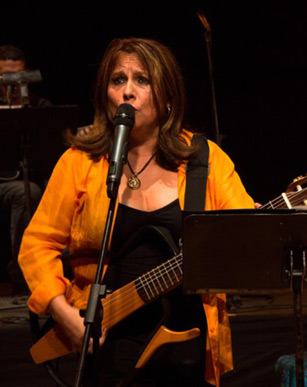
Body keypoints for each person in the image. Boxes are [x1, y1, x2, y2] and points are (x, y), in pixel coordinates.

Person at [18, 38, 254, 386]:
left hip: (188, 341)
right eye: (118, 80)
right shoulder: (80, 162)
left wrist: (259, 229)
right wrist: (61, 310)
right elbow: (37, 243)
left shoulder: (205, 160)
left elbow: (247, 237)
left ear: (168, 96)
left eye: (142, 80)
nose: (128, 91)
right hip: (105, 344)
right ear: (105, 95)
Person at [0, 45, 44, 294]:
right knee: (24, 191)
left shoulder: (39, 107)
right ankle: (21, 271)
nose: (12, 83)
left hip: (26, 178)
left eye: (18, 76)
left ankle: (41, 270)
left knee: (36, 189)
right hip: (5, 183)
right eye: (6, 77)